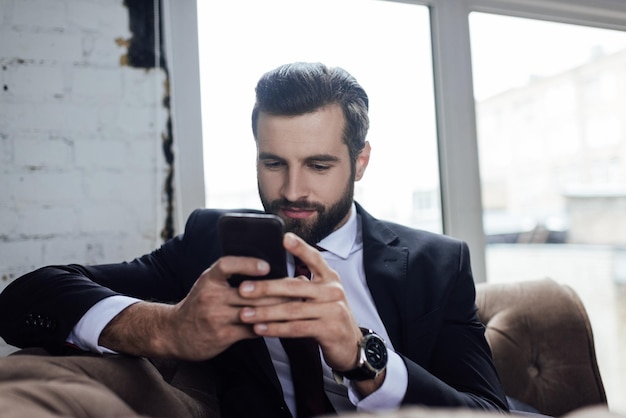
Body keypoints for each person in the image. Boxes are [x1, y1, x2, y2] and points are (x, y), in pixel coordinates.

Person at [0, 62, 509, 417]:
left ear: (361, 162)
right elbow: (26, 299)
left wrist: (363, 357)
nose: (291, 190)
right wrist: (166, 328)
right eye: (273, 163)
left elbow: (488, 411)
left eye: (318, 165)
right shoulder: (211, 241)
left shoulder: (437, 263)